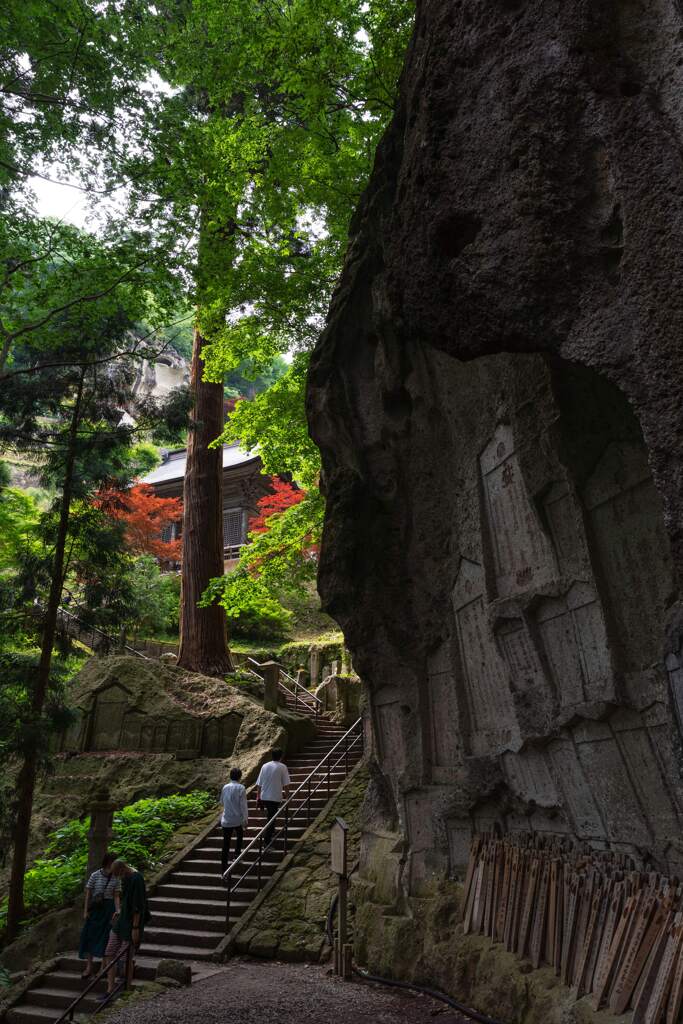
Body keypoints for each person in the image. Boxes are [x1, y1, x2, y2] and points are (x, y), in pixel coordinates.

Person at [99, 859, 150, 1001]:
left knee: (125, 957)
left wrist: (135, 927)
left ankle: (126, 989)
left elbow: (138, 905)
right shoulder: (126, 878)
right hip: (122, 922)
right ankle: (110, 988)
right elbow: (126, 899)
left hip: (131, 924)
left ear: (122, 869)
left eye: (117, 874)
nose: (117, 877)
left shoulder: (136, 878)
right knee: (109, 952)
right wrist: (120, 911)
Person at [78, 852, 121, 978]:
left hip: (109, 910)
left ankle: (103, 967)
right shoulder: (95, 875)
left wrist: (118, 910)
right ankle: (89, 966)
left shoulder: (116, 877)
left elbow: (116, 895)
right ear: (109, 862)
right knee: (89, 936)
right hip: (96, 909)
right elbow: (88, 894)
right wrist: (85, 911)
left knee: (106, 938)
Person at [255, 748, 291, 846]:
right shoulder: (282, 767)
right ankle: (266, 842)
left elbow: (259, 783)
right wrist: (288, 797)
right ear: (281, 756)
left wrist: (258, 796)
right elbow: (286, 785)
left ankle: (271, 833)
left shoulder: (265, 766)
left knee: (271, 816)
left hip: (264, 796)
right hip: (275, 797)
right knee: (271, 819)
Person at [220, 766, 248, 875]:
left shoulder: (225, 787)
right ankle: (237, 855)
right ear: (240, 777)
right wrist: (245, 820)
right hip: (237, 819)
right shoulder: (241, 788)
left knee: (225, 844)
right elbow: (243, 806)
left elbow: (222, 802)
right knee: (240, 835)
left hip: (226, 820)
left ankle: (224, 868)